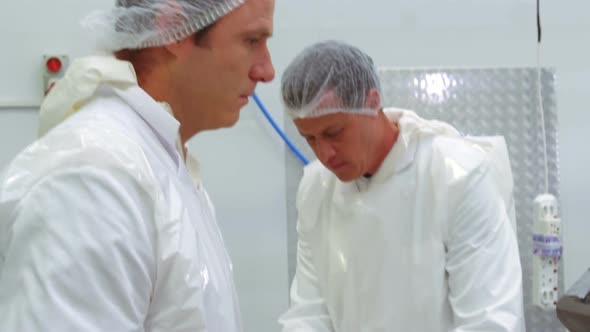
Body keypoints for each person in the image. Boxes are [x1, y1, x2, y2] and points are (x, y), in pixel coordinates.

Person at [0, 0, 275, 330]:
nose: (266, 70)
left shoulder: (159, 163)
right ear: (173, 27)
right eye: (252, 41)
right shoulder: (96, 179)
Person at [278, 40, 525, 331]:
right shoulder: (316, 189)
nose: (325, 154)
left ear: (371, 102)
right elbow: (310, 312)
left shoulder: (455, 176)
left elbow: (489, 320)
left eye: (334, 132)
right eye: (310, 139)